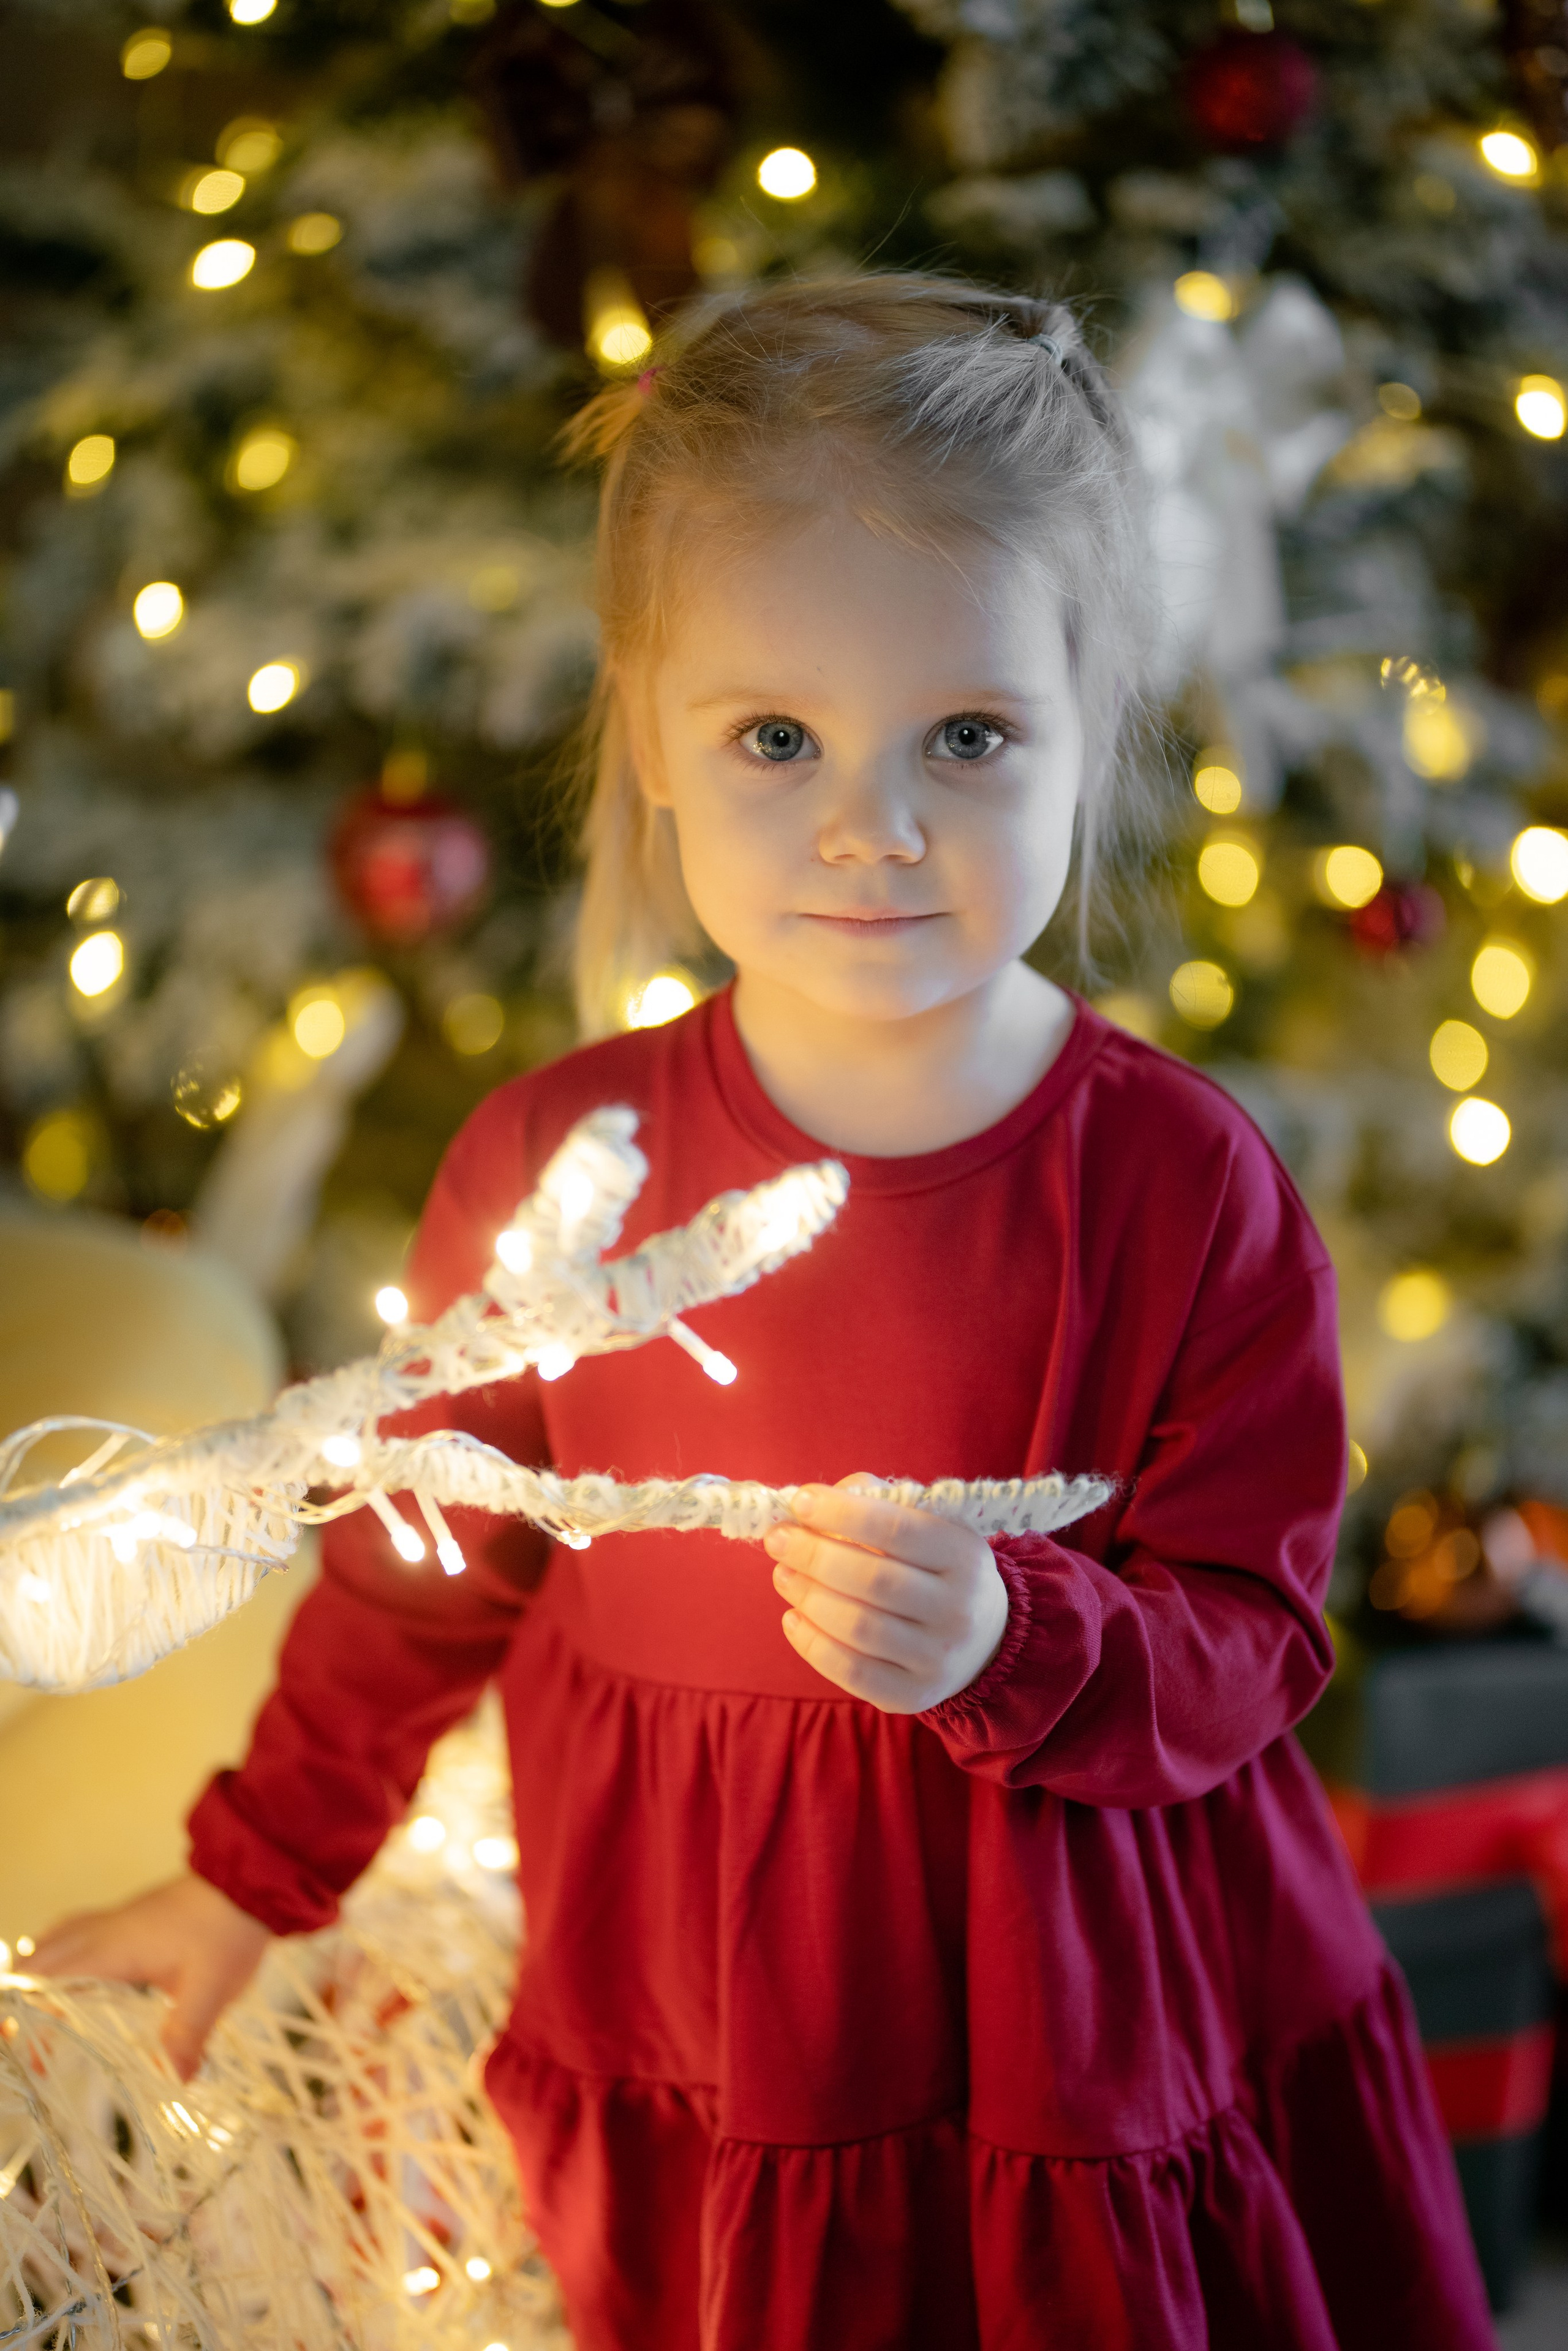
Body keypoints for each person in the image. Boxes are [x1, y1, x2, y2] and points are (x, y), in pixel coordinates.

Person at [33, 277, 1494, 2351]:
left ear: (1092, 728)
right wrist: (248, 1875)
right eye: (777, 737)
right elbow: (418, 1578)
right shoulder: (567, 1178)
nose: (869, 825)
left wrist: (1023, 1639)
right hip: (719, 2006)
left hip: (1072, 1998)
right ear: (651, 736)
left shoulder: (1178, 1189)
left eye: (968, 739)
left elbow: (1253, 1639)